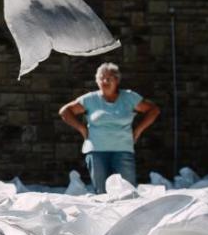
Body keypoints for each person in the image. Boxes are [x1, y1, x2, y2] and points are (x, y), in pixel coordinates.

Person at [58, 63, 160, 194]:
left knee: (127, 192)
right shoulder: (90, 99)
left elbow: (153, 110)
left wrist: (138, 130)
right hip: (96, 152)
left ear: (117, 80)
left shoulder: (129, 97)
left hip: (123, 150)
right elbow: (65, 111)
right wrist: (82, 128)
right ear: (97, 81)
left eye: (109, 78)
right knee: (102, 193)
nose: (105, 81)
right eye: (101, 78)